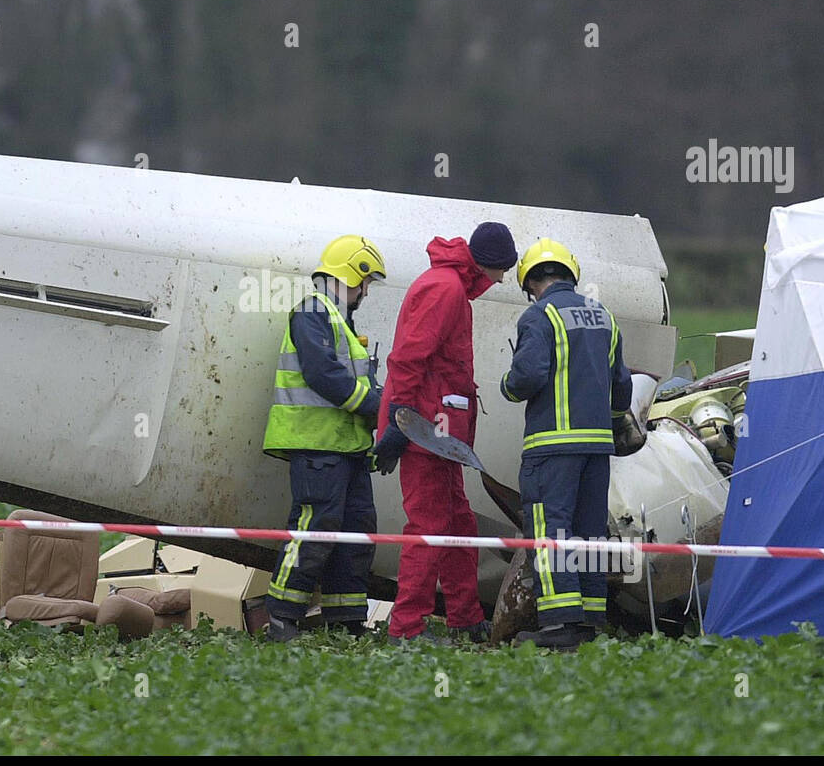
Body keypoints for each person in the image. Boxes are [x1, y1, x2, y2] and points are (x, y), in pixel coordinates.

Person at [373, 222, 517, 644]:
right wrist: (400, 418)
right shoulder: (447, 289)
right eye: (501, 270)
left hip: (438, 435)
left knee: (457, 523)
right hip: (424, 431)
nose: (501, 280)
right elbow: (408, 358)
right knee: (430, 526)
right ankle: (406, 630)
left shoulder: (450, 286)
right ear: (488, 264)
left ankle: (465, 618)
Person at [499, 238, 633, 650]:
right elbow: (622, 387)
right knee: (589, 534)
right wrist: (608, 425)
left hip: (552, 447)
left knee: (550, 530)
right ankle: (588, 621)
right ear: (569, 275)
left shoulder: (538, 316)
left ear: (531, 282)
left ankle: (558, 628)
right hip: (597, 449)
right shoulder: (605, 317)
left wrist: (507, 386)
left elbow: (528, 375)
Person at [262, 234, 387, 641]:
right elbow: (323, 375)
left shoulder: (336, 320)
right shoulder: (312, 313)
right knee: (315, 528)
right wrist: (375, 405)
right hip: (317, 446)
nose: (365, 292)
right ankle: (281, 617)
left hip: (346, 450)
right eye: (365, 283)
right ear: (353, 275)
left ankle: (347, 622)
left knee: (355, 533)